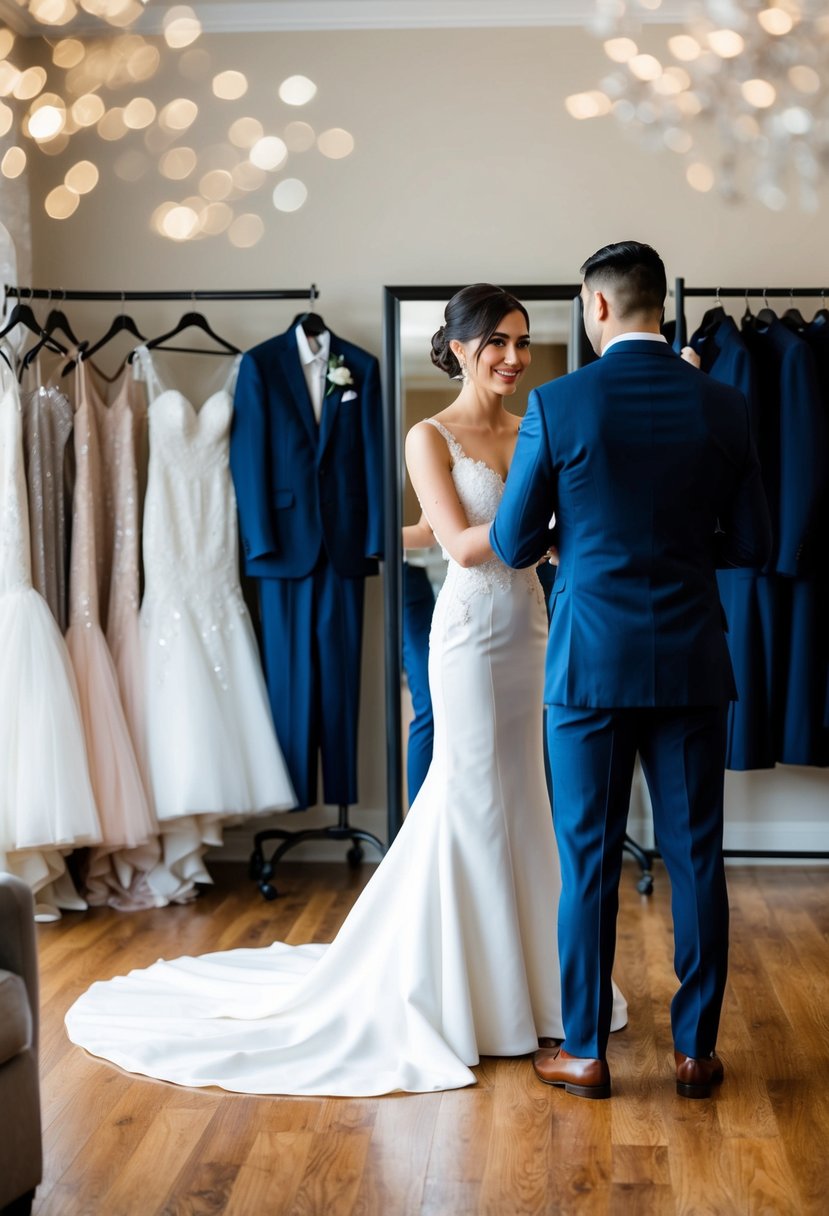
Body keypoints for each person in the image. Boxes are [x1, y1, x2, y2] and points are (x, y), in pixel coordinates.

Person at [64, 284, 626, 1097]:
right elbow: (465, 547)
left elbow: (487, 536)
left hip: (533, 630)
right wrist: (547, 533)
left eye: (522, 342)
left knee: (525, 792)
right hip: (470, 634)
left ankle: (541, 986)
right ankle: (465, 989)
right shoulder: (427, 435)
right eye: (497, 341)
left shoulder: (535, 424)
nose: (512, 357)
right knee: (467, 791)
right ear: (460, 346)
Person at [491, 242, 772, 1100]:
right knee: (696, 859)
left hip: (589, 666)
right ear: (657, 304)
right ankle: (695, 1052)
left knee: (588, 862)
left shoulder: (558, 403)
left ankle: (584, 1049)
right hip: (690, 659)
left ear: (598, 307)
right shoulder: (723, 405)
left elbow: (508, 542)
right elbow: (756, 543)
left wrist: (573, 542)